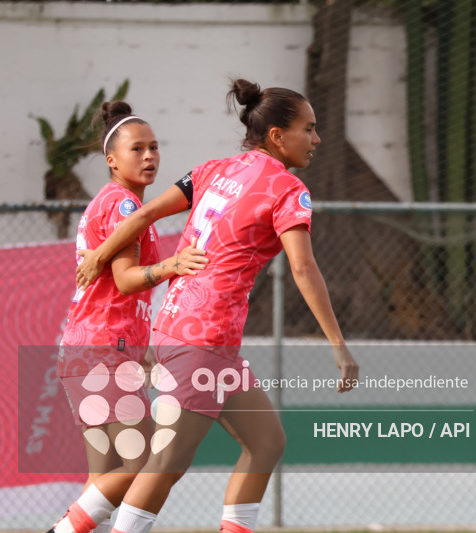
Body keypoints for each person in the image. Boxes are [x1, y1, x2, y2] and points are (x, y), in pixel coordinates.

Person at [74, 79, 360, 533]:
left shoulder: (215, 168)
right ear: (277, 136)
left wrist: (100, 253)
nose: (317, 139)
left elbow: (145, 214)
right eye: (310, 128)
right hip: (202, 340)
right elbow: (303, 270)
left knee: (266, 443)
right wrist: (339, 345)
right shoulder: (288, 189)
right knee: (165, 463)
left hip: (184, 332)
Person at [48, 102, 207, 533]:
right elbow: (125, 281)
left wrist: (141, 349)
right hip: (102, 350)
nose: (150, 156)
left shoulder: (124, 206)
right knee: (144, 462)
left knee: (103, 479)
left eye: (154, 147)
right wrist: (174, 265)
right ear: (112, 160)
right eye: (137, 149)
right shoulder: (121, 205)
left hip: (92, 349)